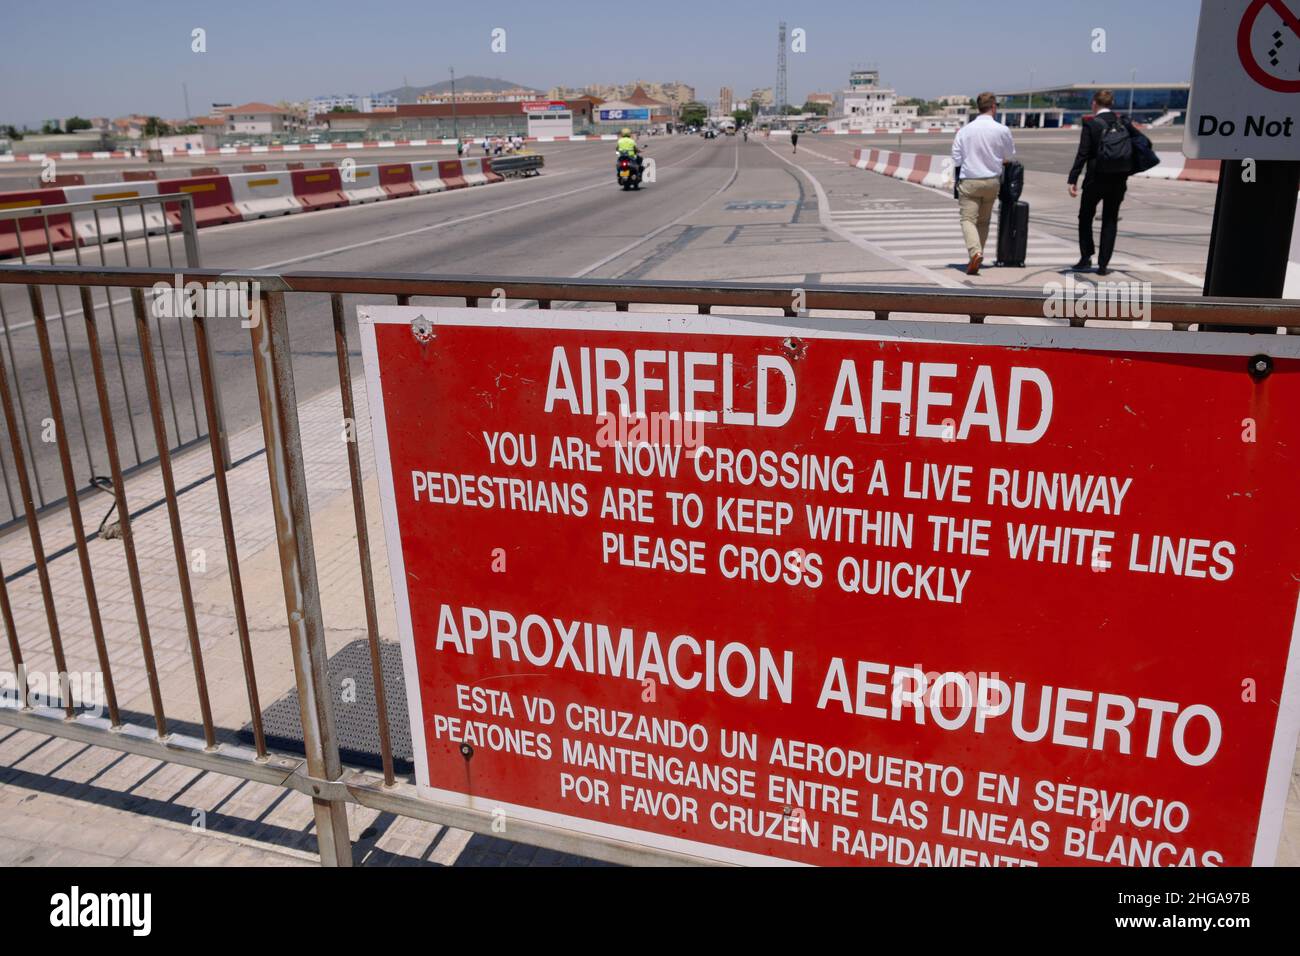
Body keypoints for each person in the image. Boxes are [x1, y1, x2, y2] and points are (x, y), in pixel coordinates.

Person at [950, 91, 1017, 275]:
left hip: (970, 180)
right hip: (992, 182)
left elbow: (956, 158)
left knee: (967, 219)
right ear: (993, 107)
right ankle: (977, 255)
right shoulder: (1002, 130)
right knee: (984, 221)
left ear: (978, 108)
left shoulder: (965, 130)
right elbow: (1009, 156)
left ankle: (975, 252)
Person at [1068, 90, 1132, 276]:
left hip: (1095, 179)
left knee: (1085, 217)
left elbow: (1083, 153)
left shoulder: (1091, 124)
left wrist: (1073, 178)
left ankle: (1086, 256)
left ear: (1094, 103)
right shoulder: (1123, 122)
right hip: (1118, 179)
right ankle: (1104, 263)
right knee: (1110, 219)